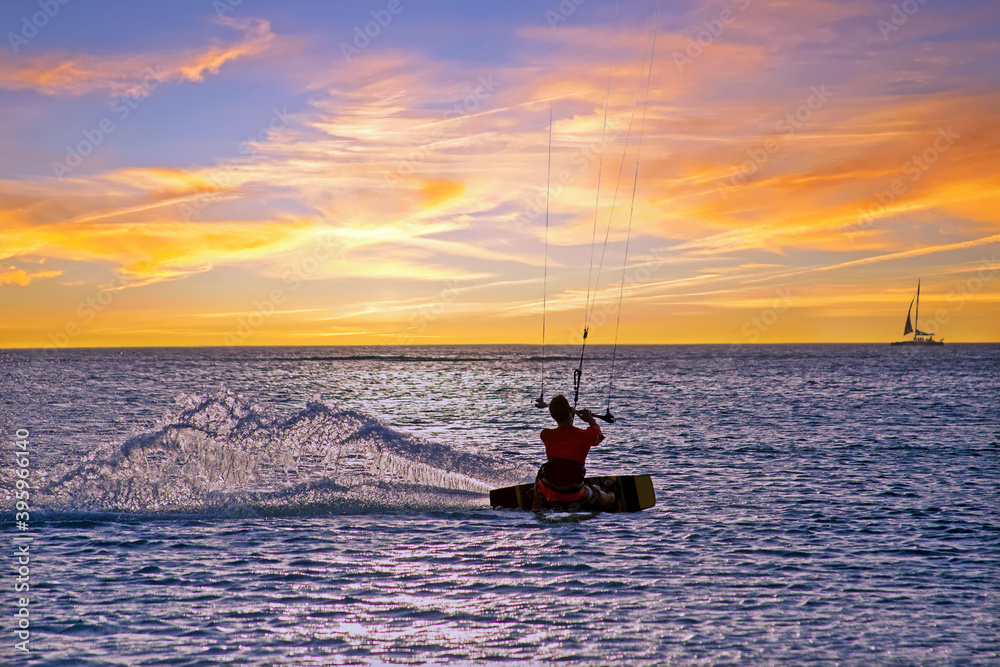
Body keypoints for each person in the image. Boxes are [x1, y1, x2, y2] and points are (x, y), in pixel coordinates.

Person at [533, 394, 616, 510]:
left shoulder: (546, 435)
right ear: (570, 412)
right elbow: (598, 436)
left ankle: (539, 499)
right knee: (596, 492)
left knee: (543, 472)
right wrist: (590, 420)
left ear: (552, 416)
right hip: (575, 495)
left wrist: (568, 415)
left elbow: (564, 433)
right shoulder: (586, 435)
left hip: (550, 494)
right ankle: (611, 497)